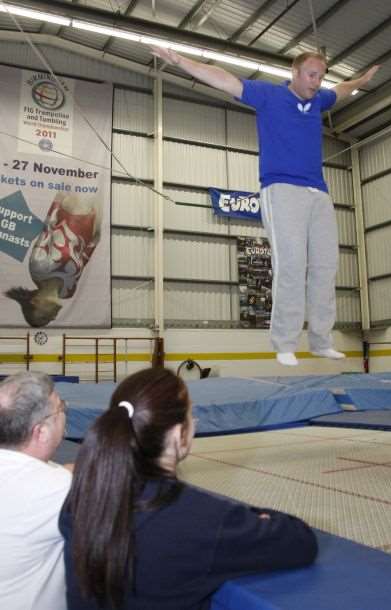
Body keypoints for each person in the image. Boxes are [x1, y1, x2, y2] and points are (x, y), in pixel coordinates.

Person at [151, 46, 379, 366]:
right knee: (292, 264)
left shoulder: (318, 100)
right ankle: (285, 341)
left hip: (318, 191)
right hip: (282, 189)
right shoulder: (269, 96)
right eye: (312, 75)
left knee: (326, 266)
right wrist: (181, 61)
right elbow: (224, 79)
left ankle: (320, 340)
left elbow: (340, 91)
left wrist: (359, 79)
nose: (317, 82)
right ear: (295, 73)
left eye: (321, 76)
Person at [60, 367, 317, 610]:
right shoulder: (200, 518)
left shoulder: (79, 501)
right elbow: (301, 542)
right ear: (177, 434)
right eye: (191, 417)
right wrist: (256, 518)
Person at [0, 371, 71, 610]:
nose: (64, 413)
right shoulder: (56, 489)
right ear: (41, 432)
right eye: (61, 409)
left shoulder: (43, 478)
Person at [5, 191, 101, 327]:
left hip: (74, 207)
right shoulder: (69, 292)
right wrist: (97, 232)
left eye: (44, 317)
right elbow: (84, 257)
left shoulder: (38, 267)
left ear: (35, 302)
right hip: (94, 220)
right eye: (49, 320)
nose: (53, 318)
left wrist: (61, 195)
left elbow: (48, 227)